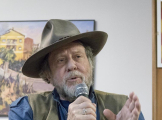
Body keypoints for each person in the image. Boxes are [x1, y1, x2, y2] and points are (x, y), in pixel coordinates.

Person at [8, 19, 145, 120]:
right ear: (47, 74)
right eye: (61, 60)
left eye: (78, 56)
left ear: (90, 63)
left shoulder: (123, 106)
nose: (72, 65)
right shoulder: (26, 110)